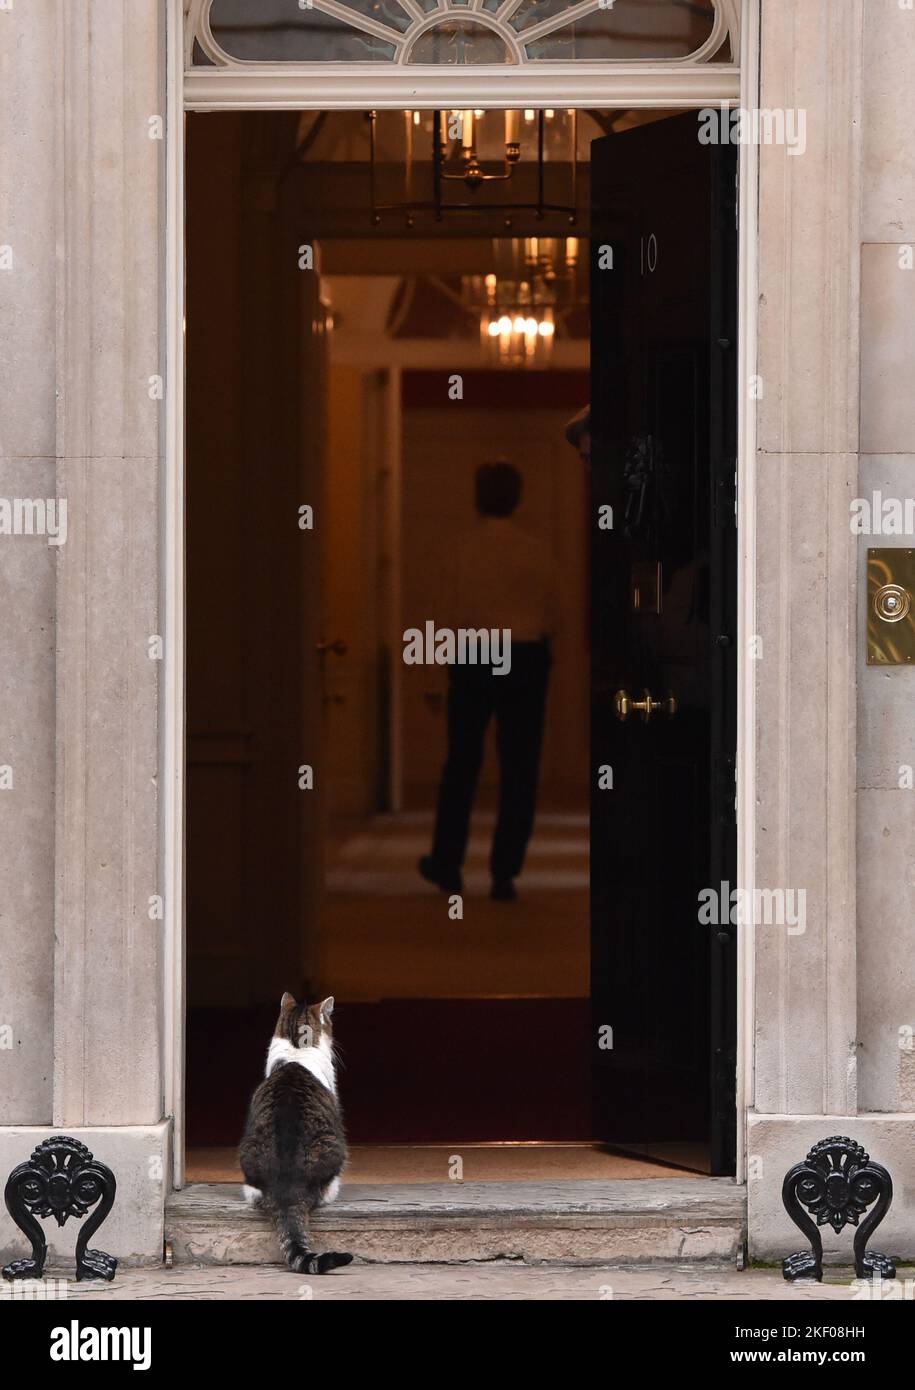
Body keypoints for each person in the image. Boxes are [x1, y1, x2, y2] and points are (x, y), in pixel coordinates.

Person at [419, 462, 560, 902]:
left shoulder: (460, 549)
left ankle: (447, 864)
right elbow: (556, 614)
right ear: (517, 498)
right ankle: (505, 872)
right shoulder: (538, 551)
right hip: (525, 654)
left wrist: (432, 677)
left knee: (462, 764)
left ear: (477, 496)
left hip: (474, 653)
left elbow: (442, 614)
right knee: (520, 765)